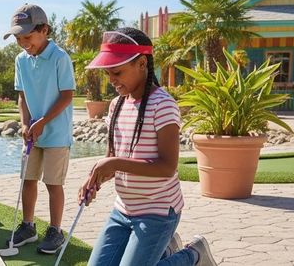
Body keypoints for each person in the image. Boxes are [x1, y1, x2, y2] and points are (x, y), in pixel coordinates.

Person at [78, 27, 218, 266]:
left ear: (142, 64)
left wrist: (114, 163)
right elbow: (113, 158)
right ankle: (164, 250)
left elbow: (167, 167)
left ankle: (194, 254)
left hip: (157, 212)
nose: (112, 80)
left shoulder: (162, 105)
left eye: (117, 72)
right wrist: (97, 177)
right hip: (123, 210)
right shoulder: (116, 106)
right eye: (108, 73)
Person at [2, 3, 76, 254]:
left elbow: (67, 95)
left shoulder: (59, 57)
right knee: (28, 179)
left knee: (53, 183)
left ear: (44, 29)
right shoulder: (21, 60)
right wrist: (25, 123)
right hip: (32, 132)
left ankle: (55, 231)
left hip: (56, 133)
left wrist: (43, 121)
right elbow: (22, 96)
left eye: (28, 36)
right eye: (18, 38)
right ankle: (28, 226)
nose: (23, 42)